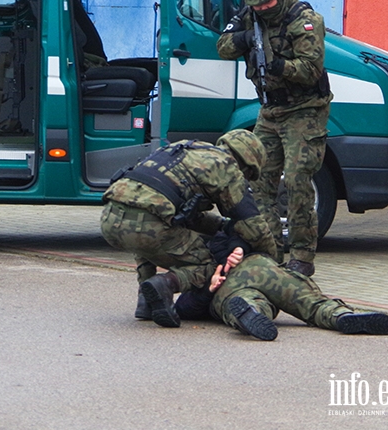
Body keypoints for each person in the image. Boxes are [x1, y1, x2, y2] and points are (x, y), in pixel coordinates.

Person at [216, 0, 333, 277]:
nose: (264, 9)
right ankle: (269, 253)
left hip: (305, 110)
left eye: (268, 3)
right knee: (258, 182)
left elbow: (310, 70)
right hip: (270, 111)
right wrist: (244, 39)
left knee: (296, 181)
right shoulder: (249, 16)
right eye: (258, 5)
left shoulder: (304, 20)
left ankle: (302, 257)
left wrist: (279, 66)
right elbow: (223, 46)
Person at [100, 129, 279, 329]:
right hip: (148, 225)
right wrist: (271, 261)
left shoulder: (182, 149)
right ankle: (165, 285)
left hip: (110, 218)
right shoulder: (227, 166)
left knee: (144, 235)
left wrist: (220, 226)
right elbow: (252, 224)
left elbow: (186, 215)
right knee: (208, 266)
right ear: (246, 163)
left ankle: (145, 300)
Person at [174, 247, 388, 341]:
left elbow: (183, 308)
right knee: (310, 302)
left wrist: (207, 290)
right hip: (262, 268)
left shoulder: (195, 260)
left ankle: (248, 315)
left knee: (244, 304)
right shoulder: (235, 224)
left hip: (231, 288)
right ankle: (342, 317)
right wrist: (240, 249)